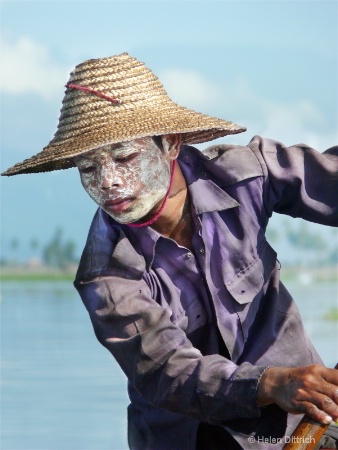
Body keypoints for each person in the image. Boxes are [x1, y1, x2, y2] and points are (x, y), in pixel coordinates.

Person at [2, 53, 338, 450]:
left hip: (310, 419)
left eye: (125, 157)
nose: (108, 182)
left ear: (171, 144)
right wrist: (267, 383)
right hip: (187, 440)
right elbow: (170, 373)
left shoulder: (246, 174)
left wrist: (288, 386)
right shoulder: (106, 274)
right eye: (88, 169)